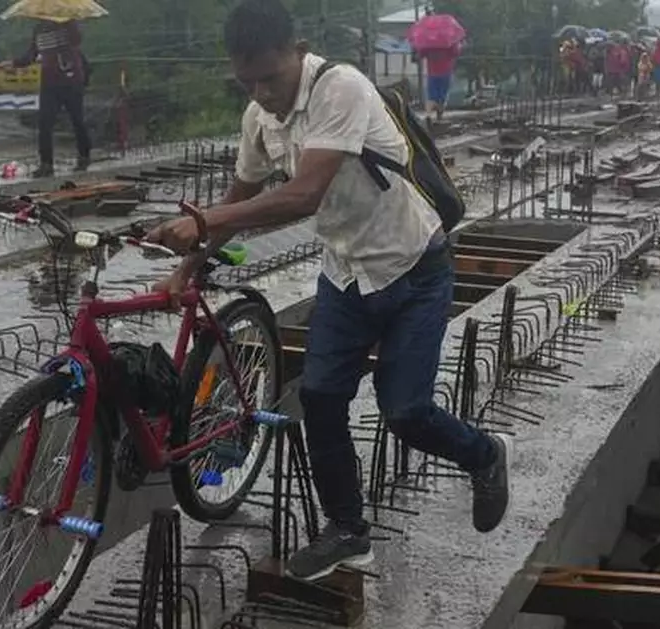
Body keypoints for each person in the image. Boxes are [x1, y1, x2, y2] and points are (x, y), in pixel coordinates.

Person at [145, 0, 513, 582]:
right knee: (319, 397)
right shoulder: (257, 117)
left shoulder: (340, 87)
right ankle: (347, 531)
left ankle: (484, 454)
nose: (262, 91)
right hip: (345, 274)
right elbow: (237, 203)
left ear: (296, 51)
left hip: (414, 269)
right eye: (248, 81)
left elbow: (304, 194)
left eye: (270, 76)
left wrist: (205, 222)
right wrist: (188, 268)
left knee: (406, 410)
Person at [2, 19, 92, 178]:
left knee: (77, 120)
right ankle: (46, 164)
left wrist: (66, 25)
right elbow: (32, 54)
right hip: (49, 83)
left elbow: (76, 41)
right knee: (44, 123)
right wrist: (14, 63)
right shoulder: (39, 29)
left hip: (71, 80)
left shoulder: (68, 24)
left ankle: (84, 157)